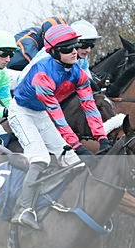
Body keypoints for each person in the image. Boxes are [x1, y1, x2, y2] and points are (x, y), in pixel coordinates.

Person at [9, 23, 112, 230]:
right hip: (22, 113)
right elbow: (58, 117)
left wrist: (102, 139)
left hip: (41, 114)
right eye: (67, 48)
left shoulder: (78, 72)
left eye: (75, 45)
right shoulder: (42, 74)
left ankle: (61, 202)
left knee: (76, 163)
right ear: (54, 52)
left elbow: (90, 107)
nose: (75, 51)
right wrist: (78, 146)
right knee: (40, 158)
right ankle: (24, 209)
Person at [18, 19, 100, 83]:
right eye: (85, 45)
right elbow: (23, 80)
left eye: (91, 45)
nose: (88, 50)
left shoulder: (82, 58)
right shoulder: (48, 55)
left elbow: (87, 79)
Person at [6, 16, 67, 87]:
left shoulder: (43, 36)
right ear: (44, 35)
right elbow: (37, 62)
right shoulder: (29, 39)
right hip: (10, 70)